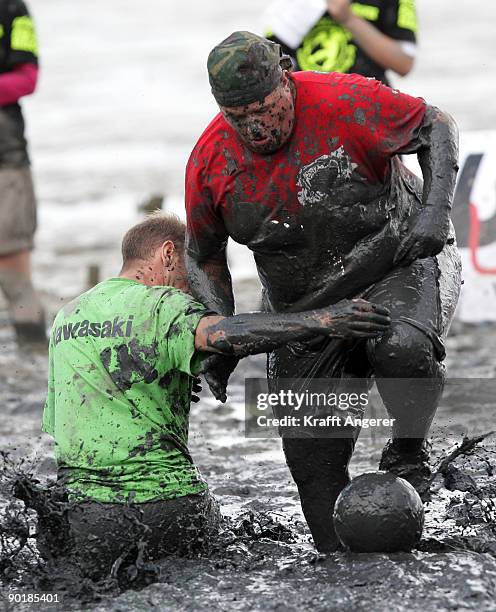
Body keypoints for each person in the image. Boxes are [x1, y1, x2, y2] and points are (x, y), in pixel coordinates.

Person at [184, 31, 462, 552]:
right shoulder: (209, 163)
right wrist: (219, 338)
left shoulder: (345, 100)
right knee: (313, 470)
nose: (258, 127)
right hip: (303, 308)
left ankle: (407, 450)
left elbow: (435, 124)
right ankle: (343, 567)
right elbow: (203, 256)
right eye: (240, 117)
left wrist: (435, 211)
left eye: (266, 109)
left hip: (396, 260)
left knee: (400, 347)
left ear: (285, 81)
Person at [41, 213, 390, 577]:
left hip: (80, 521)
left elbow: (65, 422)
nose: (196, 289)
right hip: (164, 511)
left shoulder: (67, 316)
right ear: (168, 255)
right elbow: (224, 334)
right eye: (195, 274)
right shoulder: (163, 303)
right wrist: (322, 321)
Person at [0, 0, 45, 348]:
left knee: (12, 267)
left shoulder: (12, 8)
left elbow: (27, 79)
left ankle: (34, 356)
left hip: (6, 158)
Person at [265, 0, 417, 84]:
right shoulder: (289, 4)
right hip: (309, 105)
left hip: (369, 106)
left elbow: (404, 64)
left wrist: (348, 19)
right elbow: (271, 62)